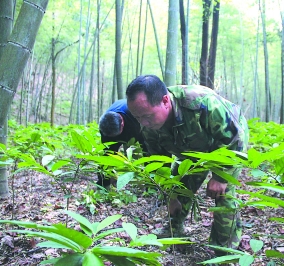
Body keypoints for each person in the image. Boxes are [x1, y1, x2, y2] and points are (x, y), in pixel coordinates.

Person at [125, 74, 249, 253]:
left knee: (223, 196)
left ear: (165, 101)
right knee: (179, 188)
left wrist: (220, 176)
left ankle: (225, 250)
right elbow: (160, 164)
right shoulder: (149, 128)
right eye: (137, 118)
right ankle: (174, 230)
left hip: (226, 144)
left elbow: (235, 137)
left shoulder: (201, 103)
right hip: (192, 151)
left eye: (147, 116)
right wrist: (170, 194)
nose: (143, 123)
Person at [97, 99, 146, 188]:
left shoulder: (134, 114)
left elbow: (145, 141)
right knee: (107, 155)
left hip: (136, 129)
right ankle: (103, 185)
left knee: (147, 150)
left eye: (114, 135)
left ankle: (151, 183)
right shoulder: (105, 125)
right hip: (115, 128)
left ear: (122, 124)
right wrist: (110, 175)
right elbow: (107, 154)